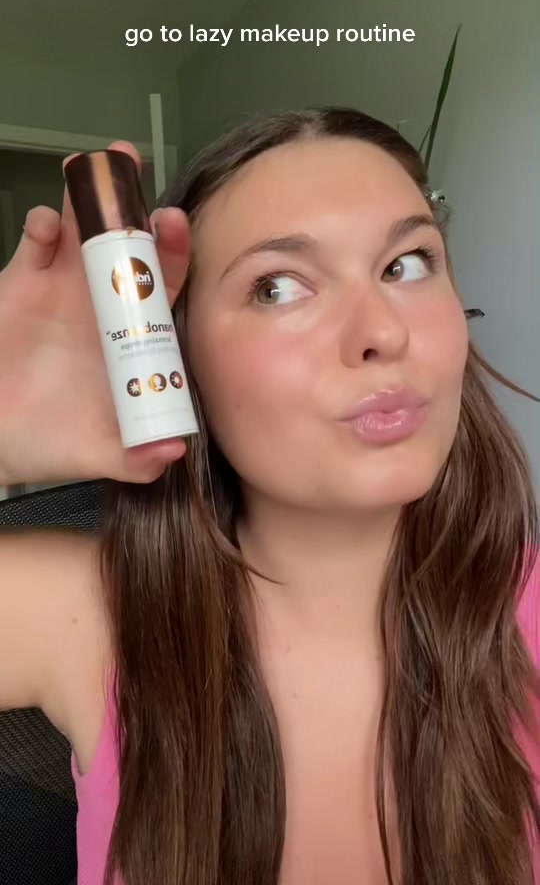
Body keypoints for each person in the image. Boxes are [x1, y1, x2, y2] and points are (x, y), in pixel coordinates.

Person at [0, 106, 538, 885]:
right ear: (181, 360)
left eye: (406, 264)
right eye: (279, 287)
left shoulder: (525, 609)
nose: (384, 332)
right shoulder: (95, 617)